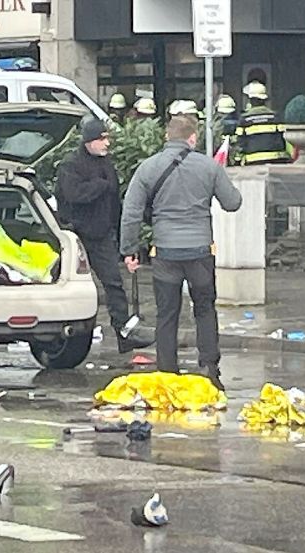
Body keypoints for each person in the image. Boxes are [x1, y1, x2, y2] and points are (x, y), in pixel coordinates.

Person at [120, 116, 242, 390]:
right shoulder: (209, 166)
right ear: (192, 138)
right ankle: (209, 368)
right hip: (200, 251)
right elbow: (233, 203)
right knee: (204, 309)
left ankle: (167, 372)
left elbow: (131, 213)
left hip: (165, 253)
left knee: (167, 313)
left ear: (166, 138)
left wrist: (129, 250)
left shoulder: (148, 168)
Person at [55, 118, 155, 354]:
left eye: (107, 138)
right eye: (102, 139)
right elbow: (74, 195)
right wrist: (99, 186)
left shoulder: (106, 163)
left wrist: (123, 239)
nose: (106, 143)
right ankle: (62, 329)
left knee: (114, 283)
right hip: (76, 235)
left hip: (101, 235)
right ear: (89, 141)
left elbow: (113, 201)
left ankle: (123, 332)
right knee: (68, 284)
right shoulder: (71, 165)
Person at [234, 82, 291, 166]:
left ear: (251, 99)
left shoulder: (245, 120)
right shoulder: (275, 117)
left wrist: (237, 161)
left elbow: (240, 143)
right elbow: (285, 139)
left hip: (253, 162)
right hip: (276, 160)